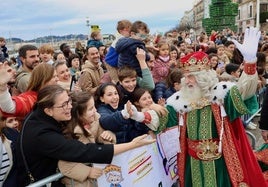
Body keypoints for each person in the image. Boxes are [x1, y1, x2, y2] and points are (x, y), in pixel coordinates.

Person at [166, 27, 267, 186]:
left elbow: (245, 92)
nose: (188, 81)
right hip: (193, 163)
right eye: (186, 77)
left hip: (221, 161)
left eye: (192, 76)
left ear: (204, 77)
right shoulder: (180, 101)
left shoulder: (221, 94)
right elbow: (163, 118)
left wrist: (250, 63)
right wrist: (141, 115)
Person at [15, 84, 155, 186]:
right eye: (64, 105)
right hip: (34, 180)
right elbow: (83, 151)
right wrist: (132, 145)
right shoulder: (42, 134)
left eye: (69, 101)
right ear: (48, 111)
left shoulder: (44, 115)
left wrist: (108, 135)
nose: (70, 107)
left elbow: (100, 129)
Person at [58, 91, 116, 187]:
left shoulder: (94, 121)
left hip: (97, 178)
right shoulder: (71, 134)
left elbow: (101, 139)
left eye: (94, 106)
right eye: (91, 109)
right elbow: (64, 165)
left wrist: (109, 136)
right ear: (78, 114)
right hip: (79, 183)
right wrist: (87, 172)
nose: (95, 110)